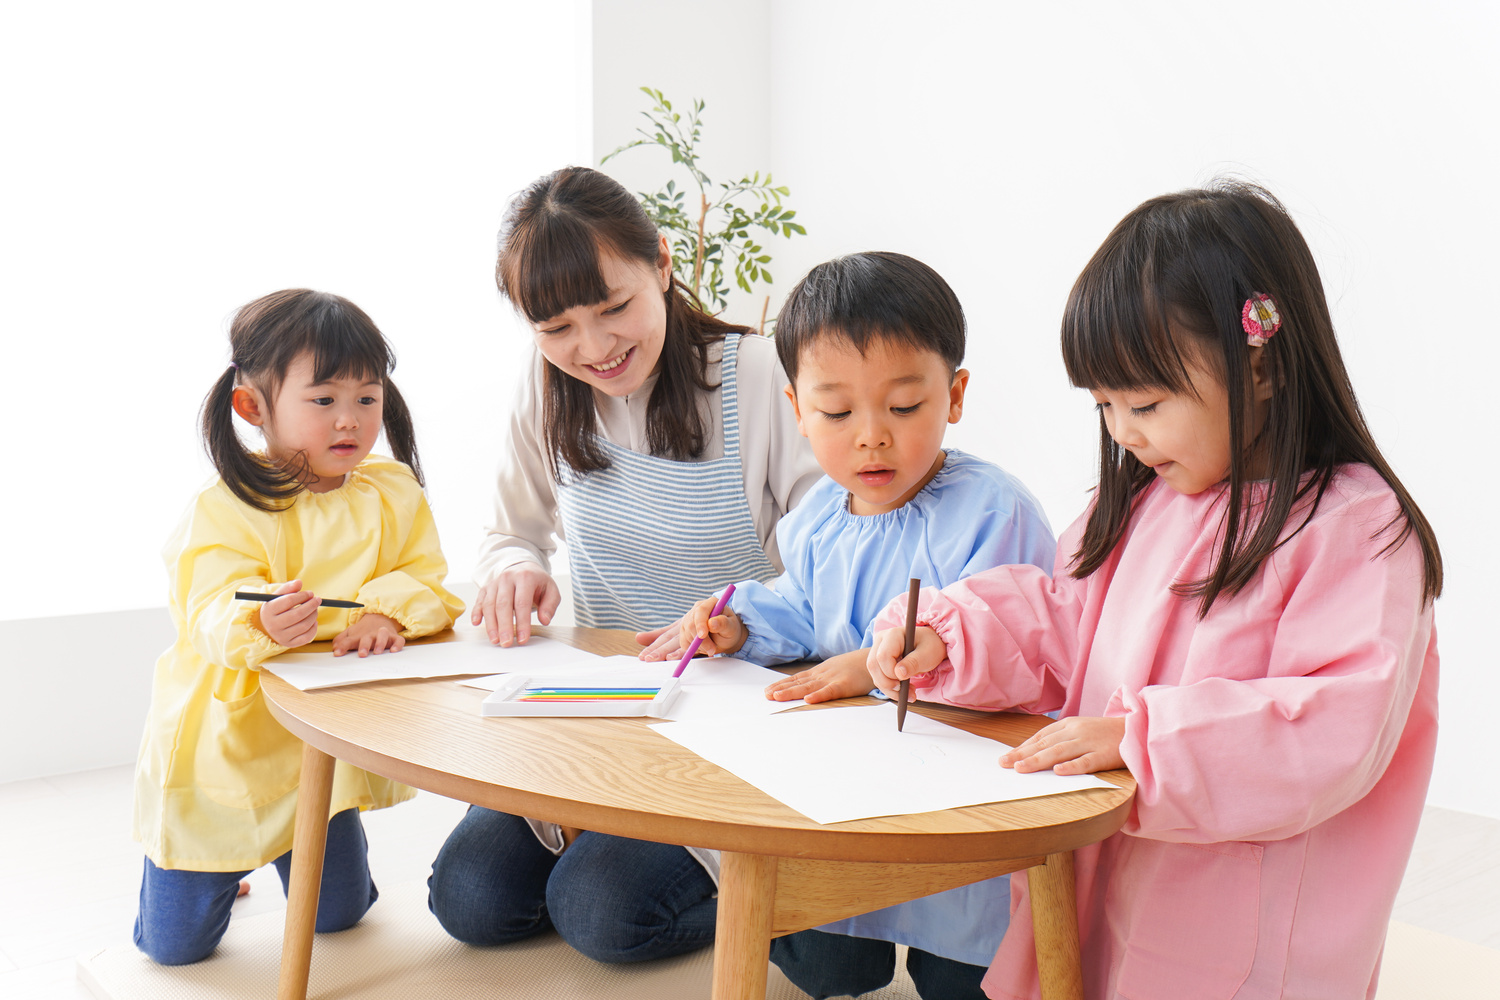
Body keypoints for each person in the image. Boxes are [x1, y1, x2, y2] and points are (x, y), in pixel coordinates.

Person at [867, 182, 1442, 1000]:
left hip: (1243, 917)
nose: (1123, 432)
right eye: (1104, 404)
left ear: (1264, 366)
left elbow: (1328, 727)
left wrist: (1143, 743)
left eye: (1144, 402)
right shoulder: (1139, 502)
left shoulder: (1354, 526)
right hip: (1117, 869)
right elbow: (1065, 618)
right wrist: (952, 637)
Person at [427, 166, 821, 963]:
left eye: (615, 308)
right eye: (557, 327)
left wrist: (737, 621)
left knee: (603, 914)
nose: (594, 348)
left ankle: (798, 899)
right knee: (468, 898)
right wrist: (514, 567)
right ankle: (607, 837)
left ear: (664, 266)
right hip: (607, 705)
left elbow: (830, 569)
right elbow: (512, 531)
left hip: (738, 710)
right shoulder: (547, 389)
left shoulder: (758, 374)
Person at [667, 251, 1055, 998]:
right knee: (825, 948)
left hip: (956, 800)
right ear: (797, 410)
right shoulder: (817, 515)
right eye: (838, 413)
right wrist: (741, 625)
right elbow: (803, 610)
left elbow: (1015, 652)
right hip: (846, 788)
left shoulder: (992, 513)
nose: (871, 436)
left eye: (904, 407)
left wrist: (870, 666)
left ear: (956, 394)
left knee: (966, 966)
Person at [132, 289, 464, 965]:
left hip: (322, 743)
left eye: (367, 399)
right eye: (323, 400)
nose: (350, 421)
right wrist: (257, 620)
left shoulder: (390, 491)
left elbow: (430, 584)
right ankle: (214, 873)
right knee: (175, 949)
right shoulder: (226, 503)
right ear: (254, 407)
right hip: (231, 740)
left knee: (340, 918)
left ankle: (289, 856)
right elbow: (207, 610)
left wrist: (382, 611)